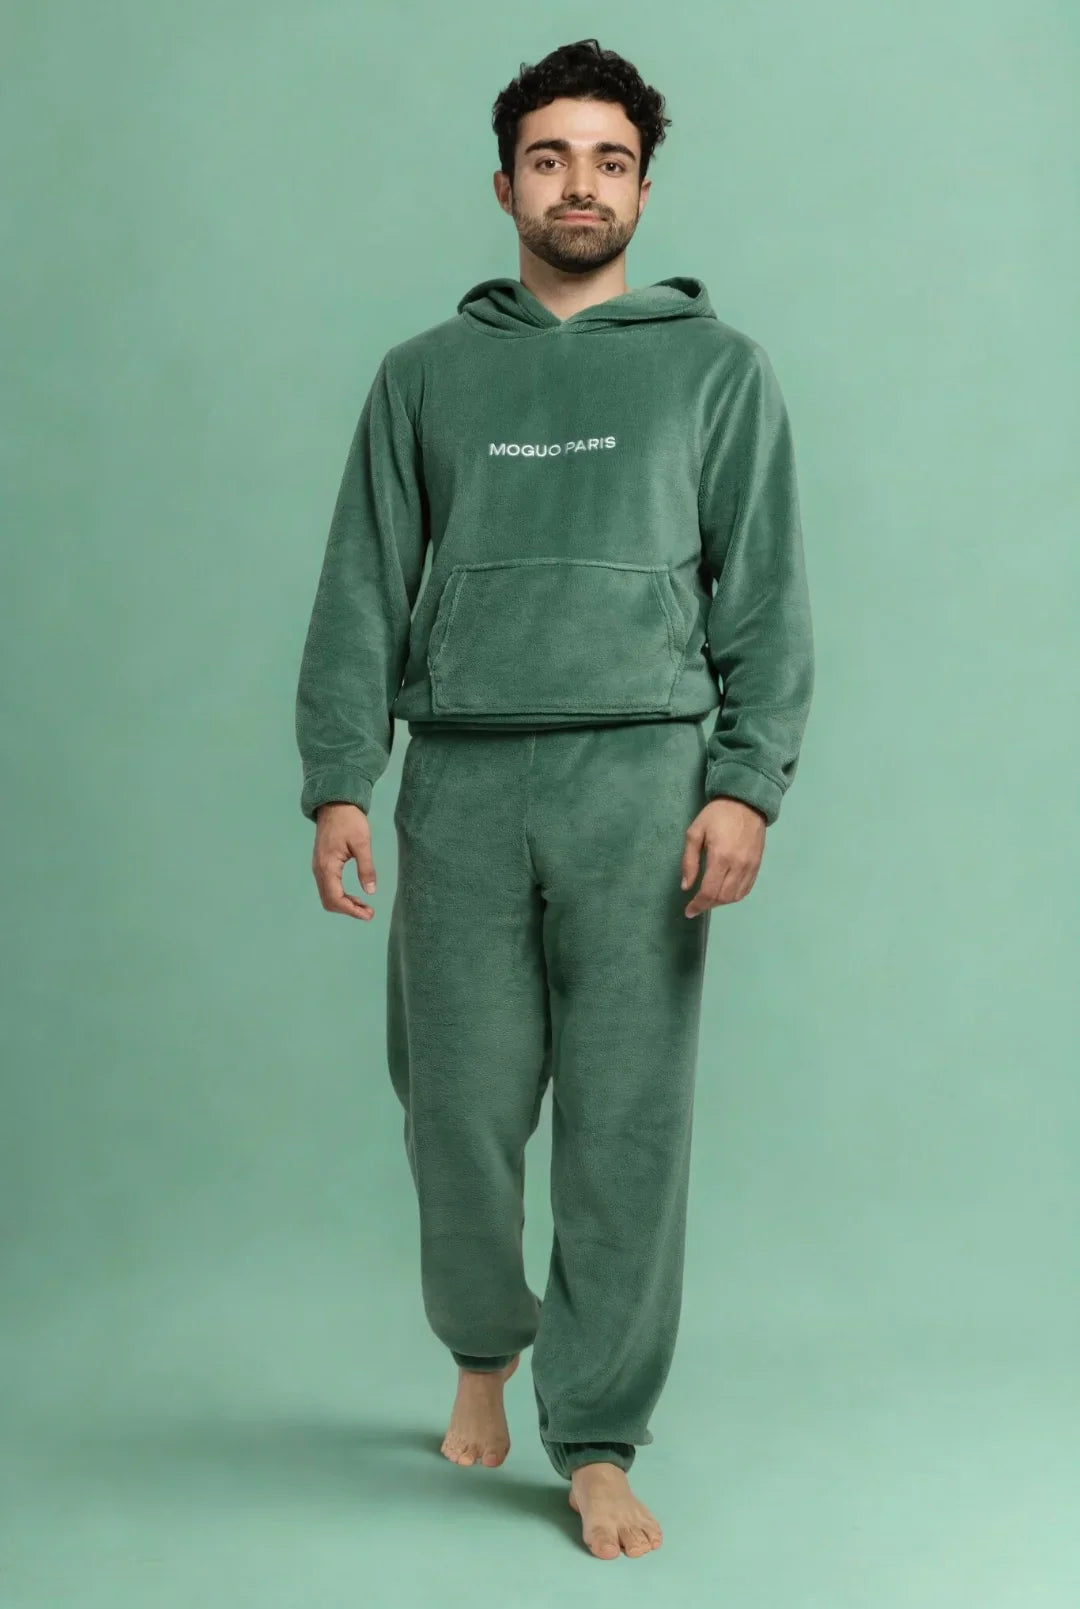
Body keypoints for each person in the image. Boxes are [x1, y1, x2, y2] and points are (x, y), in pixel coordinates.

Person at [294, 37, 815, 1562]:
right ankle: (482, 1343)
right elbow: (361, 585)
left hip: (644, 784)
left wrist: (746, 784)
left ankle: (594, 1436)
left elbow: (764, 597)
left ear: (643, 187)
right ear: (505, 184)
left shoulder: (717, 370)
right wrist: (339, 779)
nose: (579, 184)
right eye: (549, 157)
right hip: (459, 779)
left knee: (626, 1124)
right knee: (455, 1108)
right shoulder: (425, 375)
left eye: (608, 159)